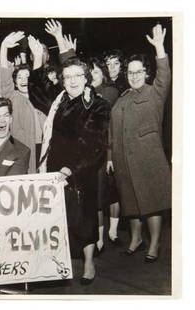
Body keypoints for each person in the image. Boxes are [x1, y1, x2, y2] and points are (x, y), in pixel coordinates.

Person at [39, 19, 110, 285]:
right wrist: (40, 57)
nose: (71, 81)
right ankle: (63, 263)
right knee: (62, 220)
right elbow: (36, 86)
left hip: (82, 170)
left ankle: (89, 264)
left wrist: (72, 168)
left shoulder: (98, 105)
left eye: (77, 76)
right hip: (56, 167)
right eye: (67, 77)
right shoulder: (59, 101)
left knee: (86, 219)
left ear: (86, 78)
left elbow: (96, 144)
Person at [109, 24, 171, 263]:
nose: (133, 76)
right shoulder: (122, 99)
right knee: (131, 204)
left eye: (138, 72)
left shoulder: (155, 93)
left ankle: (154, 243)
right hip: (124, 161)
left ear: (146, 73)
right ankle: (136, 239)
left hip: (148, 160)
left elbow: (164, 75)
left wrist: (159, 48)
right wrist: (110, 158)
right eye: (130, 72)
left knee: (152, 203)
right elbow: (112, 131)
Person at [0, 31, 47, 173]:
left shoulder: (40, 97)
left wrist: (38, 56)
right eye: (19, 77)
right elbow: (5, 78)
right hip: (24, 152)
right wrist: (4, 47)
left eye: (27, 76)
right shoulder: (13, 98)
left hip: (43, 149)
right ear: (15, 82)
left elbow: (38, 77)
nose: (24, 80)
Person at [87, 56, 121, 253]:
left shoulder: (110, 92)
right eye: (90, 73)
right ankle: (99, 239)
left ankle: (113, 233)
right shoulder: (88, 92)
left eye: (96, 72)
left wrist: (109, 156)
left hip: (110, 148)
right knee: (98, 196)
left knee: (113, 192)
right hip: (94, 152)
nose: (92, 76)